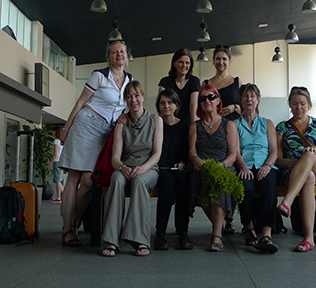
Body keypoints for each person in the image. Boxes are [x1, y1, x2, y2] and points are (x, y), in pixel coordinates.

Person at [58, 40, 132, 247]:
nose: (119, 55)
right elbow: (81, 103)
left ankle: (73, 221)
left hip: (106, 133)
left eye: (122, 52)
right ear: (108, 57)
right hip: (86, 125)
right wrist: (66, 128)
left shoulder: (129, 80)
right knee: (74, 177)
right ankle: (67, 229)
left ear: (127, 55)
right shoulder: (99, 75)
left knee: (89, 181)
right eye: (114, 52)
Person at [102, 81, 163, 257]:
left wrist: (143, 168)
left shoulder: (156, 120)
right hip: (125, 166)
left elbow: (157, 154)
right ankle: (111, 240)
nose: (133, 99)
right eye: (129, 96)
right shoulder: (121, 123)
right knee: (115, 180)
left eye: (137, 95)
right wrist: (122, 168)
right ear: (125, 100)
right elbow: (115, 158)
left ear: (143, 97)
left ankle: (140, 239)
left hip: (148, 167)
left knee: (139, 181)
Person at [276, 86, 316, 252]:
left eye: (302, 103)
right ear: (289, 104)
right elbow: (278, 157)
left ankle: (287, 201)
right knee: (309, 178)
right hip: (293, 170)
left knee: (308, 155)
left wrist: (313, 150)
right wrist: (286, 162)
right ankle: (309, 238)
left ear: (308, 104)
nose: (298, 107)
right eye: (294, 104)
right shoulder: (281, 127)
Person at [188, 84, 239, 252]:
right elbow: (191, 151)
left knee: (219, 183)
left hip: (224, 166)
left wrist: (221, 165)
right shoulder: (195, 126)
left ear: (218, 101)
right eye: (203, 98)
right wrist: (196, 160)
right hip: (202, 167)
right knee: (197, 182)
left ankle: (216, 235)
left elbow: (233, 154)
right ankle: (220, 225)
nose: (207, 100)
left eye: (211, 97)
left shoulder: (229, 124)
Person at [203, 44, 243, 234]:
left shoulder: (236, 81)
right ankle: (219, 218)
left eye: (224, 59)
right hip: (213, 131)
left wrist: (234, 108)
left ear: (229, 61)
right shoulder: (206, 83)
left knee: (232, 167)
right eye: (217, 58)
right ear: (213, 61)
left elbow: (247, 106)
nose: (221, 62)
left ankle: (230, 218)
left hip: (233, 127)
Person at [235, 83, 278, 254]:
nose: (249, 99)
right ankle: (248, 226)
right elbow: (235, 150)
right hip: (244, 165)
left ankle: (266, 233)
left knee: (269, 187)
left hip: (265, 165)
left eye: (253, 96)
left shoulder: (267, 123)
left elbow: (274, 150)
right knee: (245, 187)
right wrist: (243, 167)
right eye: (246, 96)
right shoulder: (235, 124)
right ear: (241, 100)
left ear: (258, 100)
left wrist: (268, 165)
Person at [153, 89, 192, 251]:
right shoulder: (154, 123)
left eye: (170, 102)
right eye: (162, 103)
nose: (166, 106)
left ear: (177, 105)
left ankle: (183, 232)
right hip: (159, 168)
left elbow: (187, 151)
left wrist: (183, 163)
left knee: (183, 181)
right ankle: (160, 233)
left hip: (178, 167)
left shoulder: (184, 126)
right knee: (168, 183)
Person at [158, 48, 201, 124]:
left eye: (187, 63)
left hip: (188, 124)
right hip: (169, 124)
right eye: (181, 62)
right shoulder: (165, 82)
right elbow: (161, 105)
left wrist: (194, 129)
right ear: (174, 64)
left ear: (190, 65)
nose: (184, 65)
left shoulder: (194, 81)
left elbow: (193, 106)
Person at [46, 126, 64, 203]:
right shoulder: (61, 141)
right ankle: (64, 195)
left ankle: (59, 197)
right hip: (61, 161)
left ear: (55, 131)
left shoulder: (56, 141)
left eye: (53, 130)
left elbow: (55, 155)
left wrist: (49, 164)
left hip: (56, 161)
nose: (52, 131)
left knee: (57, 180)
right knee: (58, 179)